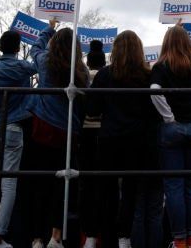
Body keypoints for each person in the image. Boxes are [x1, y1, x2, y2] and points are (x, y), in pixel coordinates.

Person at [87, 30, 161, 248]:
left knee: (104, 190)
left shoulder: (104, 75)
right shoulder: (147, 77)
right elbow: (153, 111)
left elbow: (92, 109)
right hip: (137, 141)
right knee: (130, 190)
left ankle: (96, 237)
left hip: (109, 138)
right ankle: (124, 238)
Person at [25, 22, 87, 248]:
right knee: (61, 186)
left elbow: (35, 48)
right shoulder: (81, 72)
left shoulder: (44, 62)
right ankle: (56, 236)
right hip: (68, 133)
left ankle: (36, 238)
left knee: (40, 184)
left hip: (42, 129)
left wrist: (49, 28)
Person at [0, 31, 37, 248]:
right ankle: (0, 237)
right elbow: (39, 61)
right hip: (15, 127)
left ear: (0, 47)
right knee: (9, 183)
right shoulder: (24, 68)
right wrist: (48, 31)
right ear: (18, 48)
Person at [150, 24, 191, 248]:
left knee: (174, 187)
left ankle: (180, 241)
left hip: (172, 131)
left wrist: (168, 118)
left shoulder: (161, 66)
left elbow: (154, 90)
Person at [80, 39, 107, 248]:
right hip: (106, 134)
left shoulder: (81, 78)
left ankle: (88, 235)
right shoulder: (108, 77)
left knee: (87, 184)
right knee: (106, 186)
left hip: (86, 134)